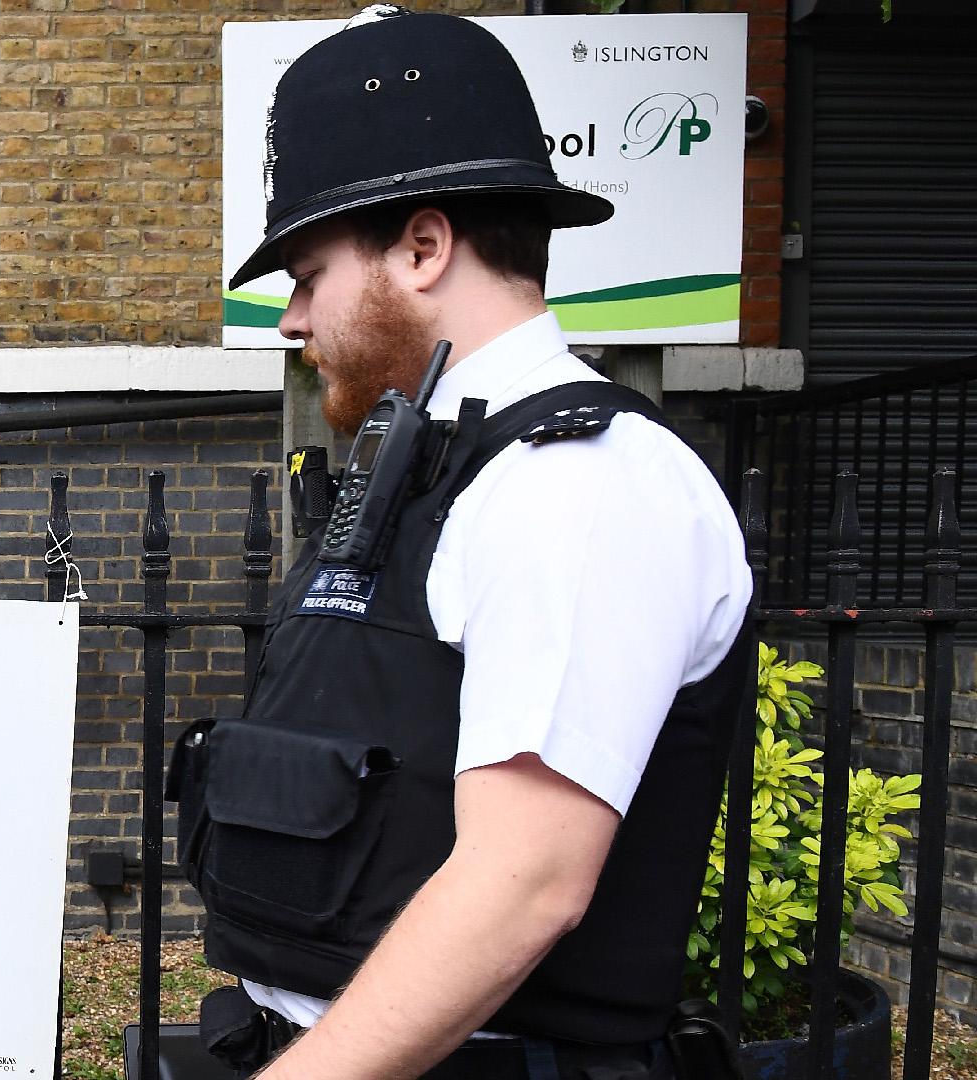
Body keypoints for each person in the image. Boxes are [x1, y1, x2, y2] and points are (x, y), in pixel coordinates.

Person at [178, 8, 751, 1079]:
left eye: (307, 275)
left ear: (424, 246)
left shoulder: (576, 484)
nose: (292, 320)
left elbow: (521, 883)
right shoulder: (441, 469)